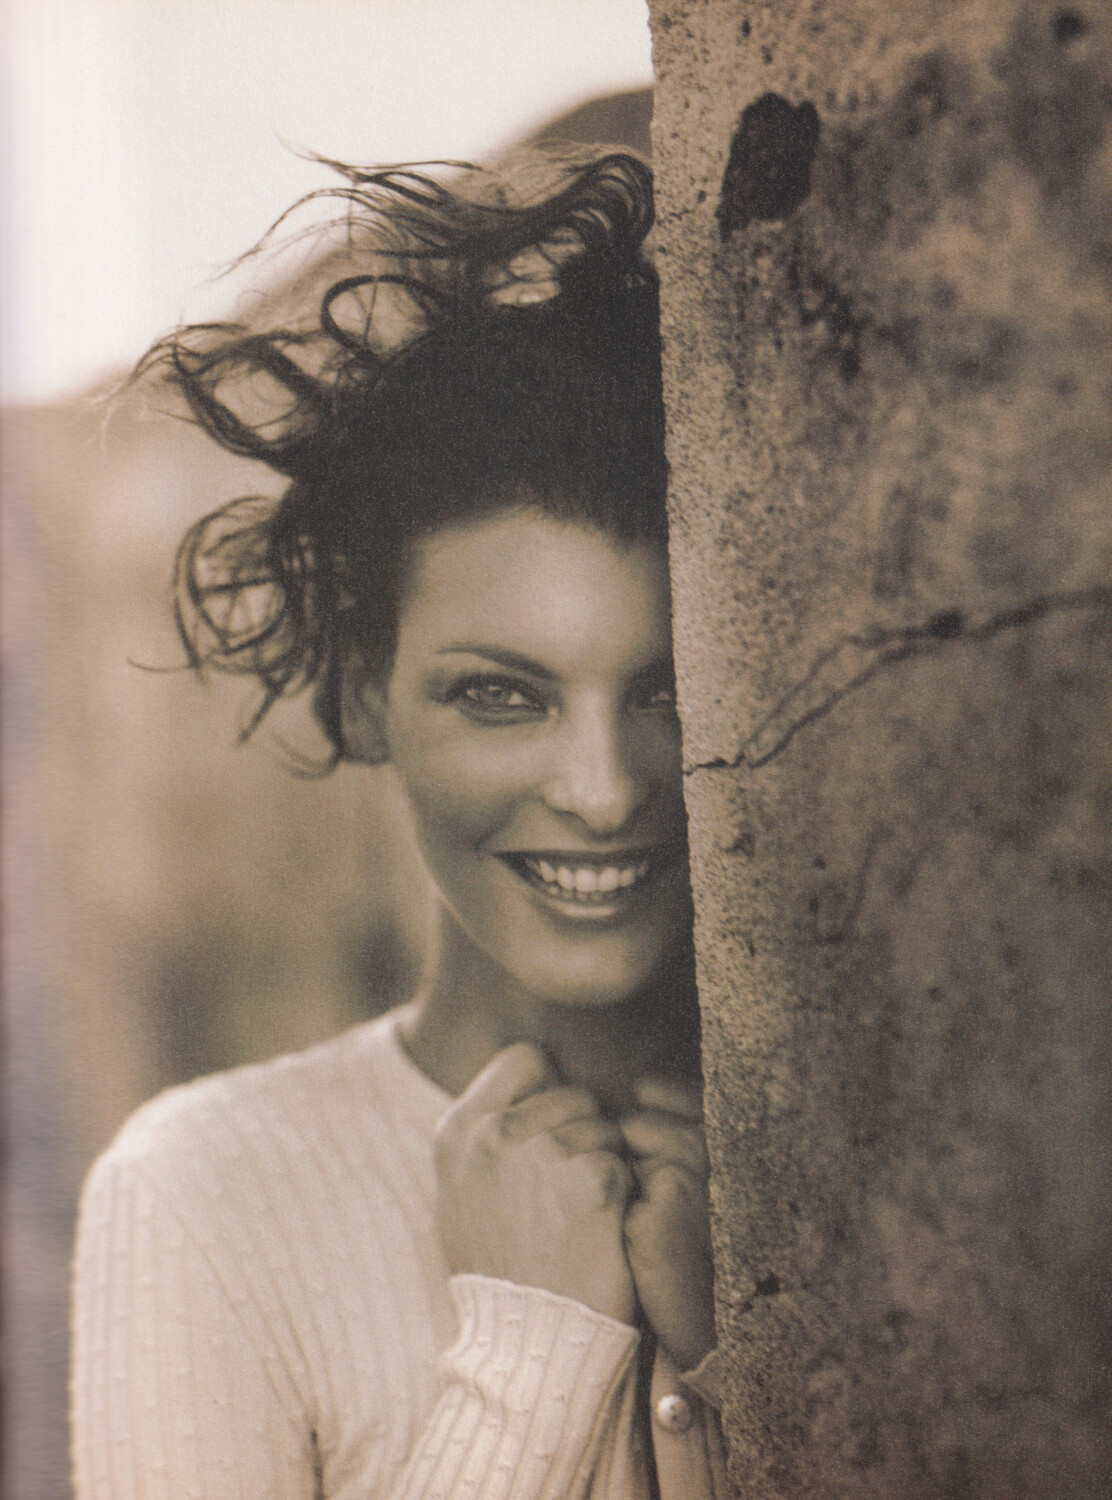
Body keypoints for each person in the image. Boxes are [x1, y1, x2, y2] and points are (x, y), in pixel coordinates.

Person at [70, 150, 732, 1499]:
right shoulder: (204, 1196)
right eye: (500, 694)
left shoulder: (850, 1158)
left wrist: (753, 1361)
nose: (604, 789)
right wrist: (533, 1351)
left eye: (667, 690)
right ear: (367, 697)